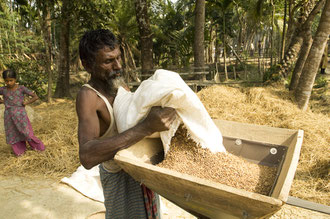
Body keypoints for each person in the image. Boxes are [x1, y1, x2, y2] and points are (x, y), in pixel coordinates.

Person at [76, 29, 177, 218]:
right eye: (108, 61)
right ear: (87, 65)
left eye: (118, 58)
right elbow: (87, 156)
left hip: (141, 170)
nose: (118, 66)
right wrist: (146, 127)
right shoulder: (88, 97)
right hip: (117, 177)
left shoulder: (120, 86)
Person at [0, 69, 45, 156]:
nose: (9, 83)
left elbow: (35, 97)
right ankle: (19, 151)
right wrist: (2, 101)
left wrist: (26, 103)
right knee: (13, 133)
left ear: (15, 79)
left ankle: (39, 148)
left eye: (11, 80)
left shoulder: (21, 88)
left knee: (26, 132)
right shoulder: (3, 89)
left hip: (20, 115)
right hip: (9, 115)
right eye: (6, 81)